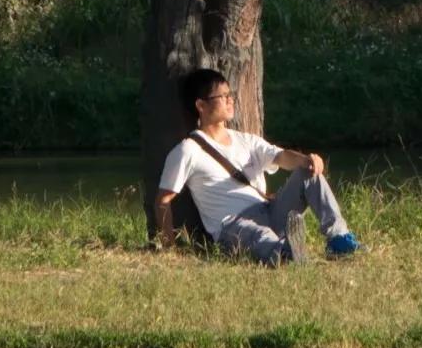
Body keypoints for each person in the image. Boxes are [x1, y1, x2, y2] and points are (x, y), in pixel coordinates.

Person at [152, 68, 362, 264]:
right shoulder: (188, 150)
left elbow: (281, 157)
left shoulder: (246, 140)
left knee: (308, 174)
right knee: (259, 237)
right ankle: (286, 253)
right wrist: (168, 244)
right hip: (232, 224)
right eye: (222, 97)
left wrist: (307, 161)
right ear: (201, 106)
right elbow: (163, 200)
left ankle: (338, 240)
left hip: (269, 210)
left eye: (229, 94)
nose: (230, 100)